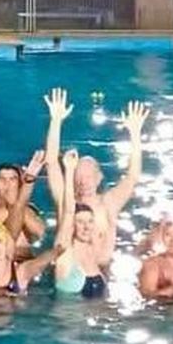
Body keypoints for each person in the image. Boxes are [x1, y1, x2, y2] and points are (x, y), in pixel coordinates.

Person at [43, 89, 149, 266]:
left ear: (99, 178)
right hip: (70, 274)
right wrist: (56, 121)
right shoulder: (66, 202)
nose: (84, 182)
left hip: (101, 272)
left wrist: (135, 134)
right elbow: (52, 163)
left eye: (89, 177)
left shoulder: (109, 203)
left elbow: (132, 176)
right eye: (79, 176)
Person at [52, 150, 110, 298]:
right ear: (72, 226)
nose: (86, 226)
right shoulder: (64, 250)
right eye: (80, 222)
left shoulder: (93, 253)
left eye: (90, 221)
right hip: (70, 319)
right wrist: (70, 170)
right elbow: (69, 210)